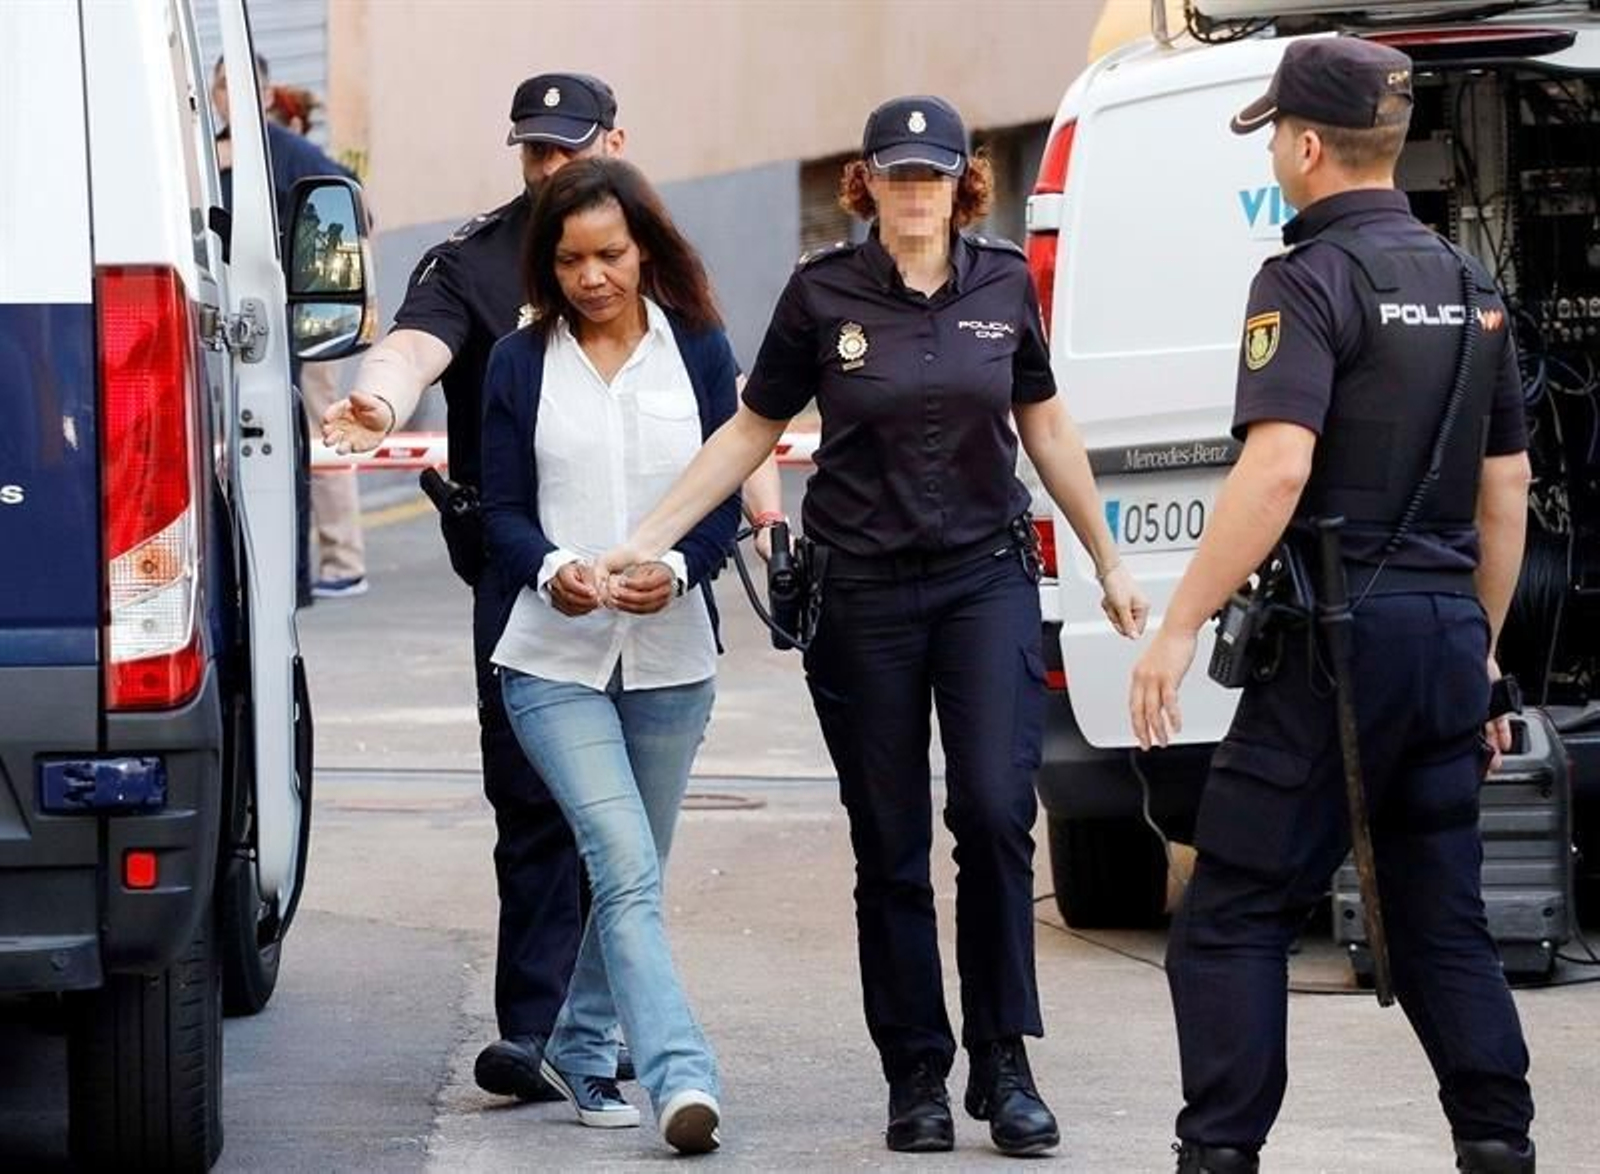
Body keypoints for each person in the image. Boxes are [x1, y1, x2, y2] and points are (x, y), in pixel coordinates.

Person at [594, 95, 1147, 1157]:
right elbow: (753, 426)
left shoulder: (998, 285)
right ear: (866, 183)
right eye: (893, 175)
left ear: (960, 183)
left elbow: (1045, 422)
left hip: (984, 582)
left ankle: (1004, 1060)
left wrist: (1109, 559)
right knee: (887, 843)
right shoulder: (821, 292)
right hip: (863, 597)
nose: (911, 193)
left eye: (929, 175)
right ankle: (917, 1073)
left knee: (992, 814)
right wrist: (649, 534)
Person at [319, 73, 783, 1104]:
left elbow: (736, 421)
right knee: (538, 810)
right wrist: (376, 397)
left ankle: (593, 1029)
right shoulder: (479, 262)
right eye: (533, 151)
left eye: (568, 148)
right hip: (524, 573)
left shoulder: (660, 276)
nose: (549, 168)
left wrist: (757, 528)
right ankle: (544, 1034)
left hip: (661, 606)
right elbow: (416, 343)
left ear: (615, 139)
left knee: (627, 848)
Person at [1127, 39, 1537, 1174]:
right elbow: (1506, 491)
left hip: (1333, 649)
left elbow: (1274, 472)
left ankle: (1219, 1156)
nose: (1273, 151)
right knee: (1438, 913)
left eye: (1273, 134)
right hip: (1445, 632)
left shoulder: (1303, 282)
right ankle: (1498, 1146)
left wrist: (1176, 627)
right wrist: (1482, 662)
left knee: (1232, 917)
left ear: (1306, 146)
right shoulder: (1471, 287)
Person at [482, 157, 732, 1153]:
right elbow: (500, 511)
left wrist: (676, 567)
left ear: (645, 250)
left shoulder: (701, 351)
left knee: (632, 873)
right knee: (623, 862)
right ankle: (681, 1075)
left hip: (673, 663)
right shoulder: (520, 362)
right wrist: (550, 572)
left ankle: (582, 1049)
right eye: (571, 258)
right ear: (548, 263)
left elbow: (722, 502)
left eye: (610, 255)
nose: (592, 277)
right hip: (550, 661)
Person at [264, 81, 370, 598]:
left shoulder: (288, 153)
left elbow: (350, 203)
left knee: (321, 428)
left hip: (309, 322)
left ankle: (342, 558)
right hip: (290, 321)